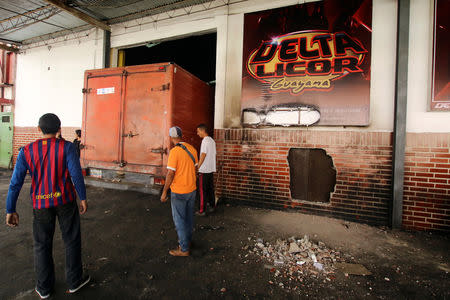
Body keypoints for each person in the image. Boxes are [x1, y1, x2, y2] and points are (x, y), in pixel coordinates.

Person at [5, 113, 90, 299]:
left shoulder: (26, 151)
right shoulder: (67, 147)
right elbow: (76, 175)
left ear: (38, 129)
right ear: (59, 129)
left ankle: (44, 288)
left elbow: (15, 182)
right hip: (65, 201)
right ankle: (75, 281)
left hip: (40, 203)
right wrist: (82, 197)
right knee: (71, 240)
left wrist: (10, 208)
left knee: (42, 244)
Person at [160, 126, 198, 257]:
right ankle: (187, 241)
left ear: (171, 138)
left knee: (180, 220)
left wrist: (164, 192)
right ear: (181, 136)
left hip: (179, 191)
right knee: (188, 218)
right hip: (191, 189)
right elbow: (195, 169)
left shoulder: (175, 151)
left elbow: (170, 174)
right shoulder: (192, 149)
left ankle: (184, 249)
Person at [195, 124, 217, 216]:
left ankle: (201, 210)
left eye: (198, 131)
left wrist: (197, 167)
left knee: (202, 191)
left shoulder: (205, 141)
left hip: (203, 170)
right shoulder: (212, 141)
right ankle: (212, 206)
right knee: (210, 189)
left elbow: (203, 155)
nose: (197, 133)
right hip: (211, 169)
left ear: (202, 130)